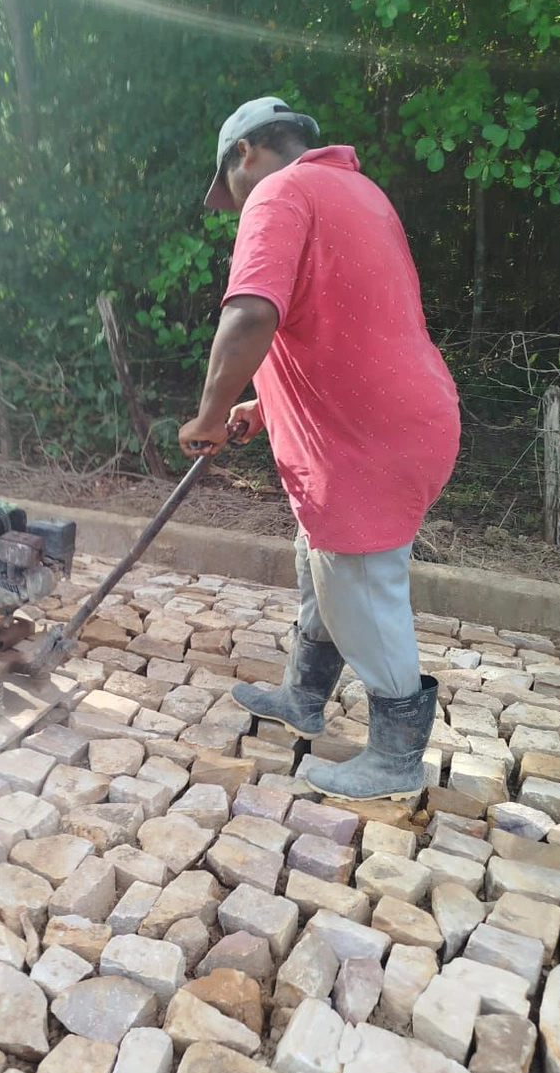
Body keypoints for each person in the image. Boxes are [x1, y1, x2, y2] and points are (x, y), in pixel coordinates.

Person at [179, 96, 461, 802]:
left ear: (245, 152)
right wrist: (261, 406)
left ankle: (395, 758)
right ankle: (303, 697)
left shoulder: (279, 191)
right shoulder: (358, 193)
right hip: (390, 420)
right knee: (320, 563)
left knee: (357, 584)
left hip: (365, 440)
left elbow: (252, 314)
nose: (234, 201)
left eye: (229, 183)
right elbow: (342, 323)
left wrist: (207, 415)